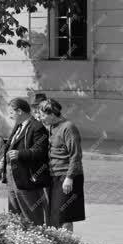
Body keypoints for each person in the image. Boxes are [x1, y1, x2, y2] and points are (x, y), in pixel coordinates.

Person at [39, 98, 85, 230]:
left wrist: (69, 178)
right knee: (56, 214)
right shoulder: (52, 127)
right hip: (55, 175)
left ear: (52, 114)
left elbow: (76, 155)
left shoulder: (68, 128)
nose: (41, 118)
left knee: (65, 215)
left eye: (43, 115)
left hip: (67, 176)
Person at [4, 97, 51, 226]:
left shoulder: (37, 127)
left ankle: (38, 239)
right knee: (14, 213)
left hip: (26, 177)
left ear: (19, 111)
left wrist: (20, 154)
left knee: (31, 214)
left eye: (11, 112)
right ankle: (20, 242)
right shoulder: (18, 126)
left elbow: (41, 151)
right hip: (12, 176)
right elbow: (11, 145)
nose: (10, 115)